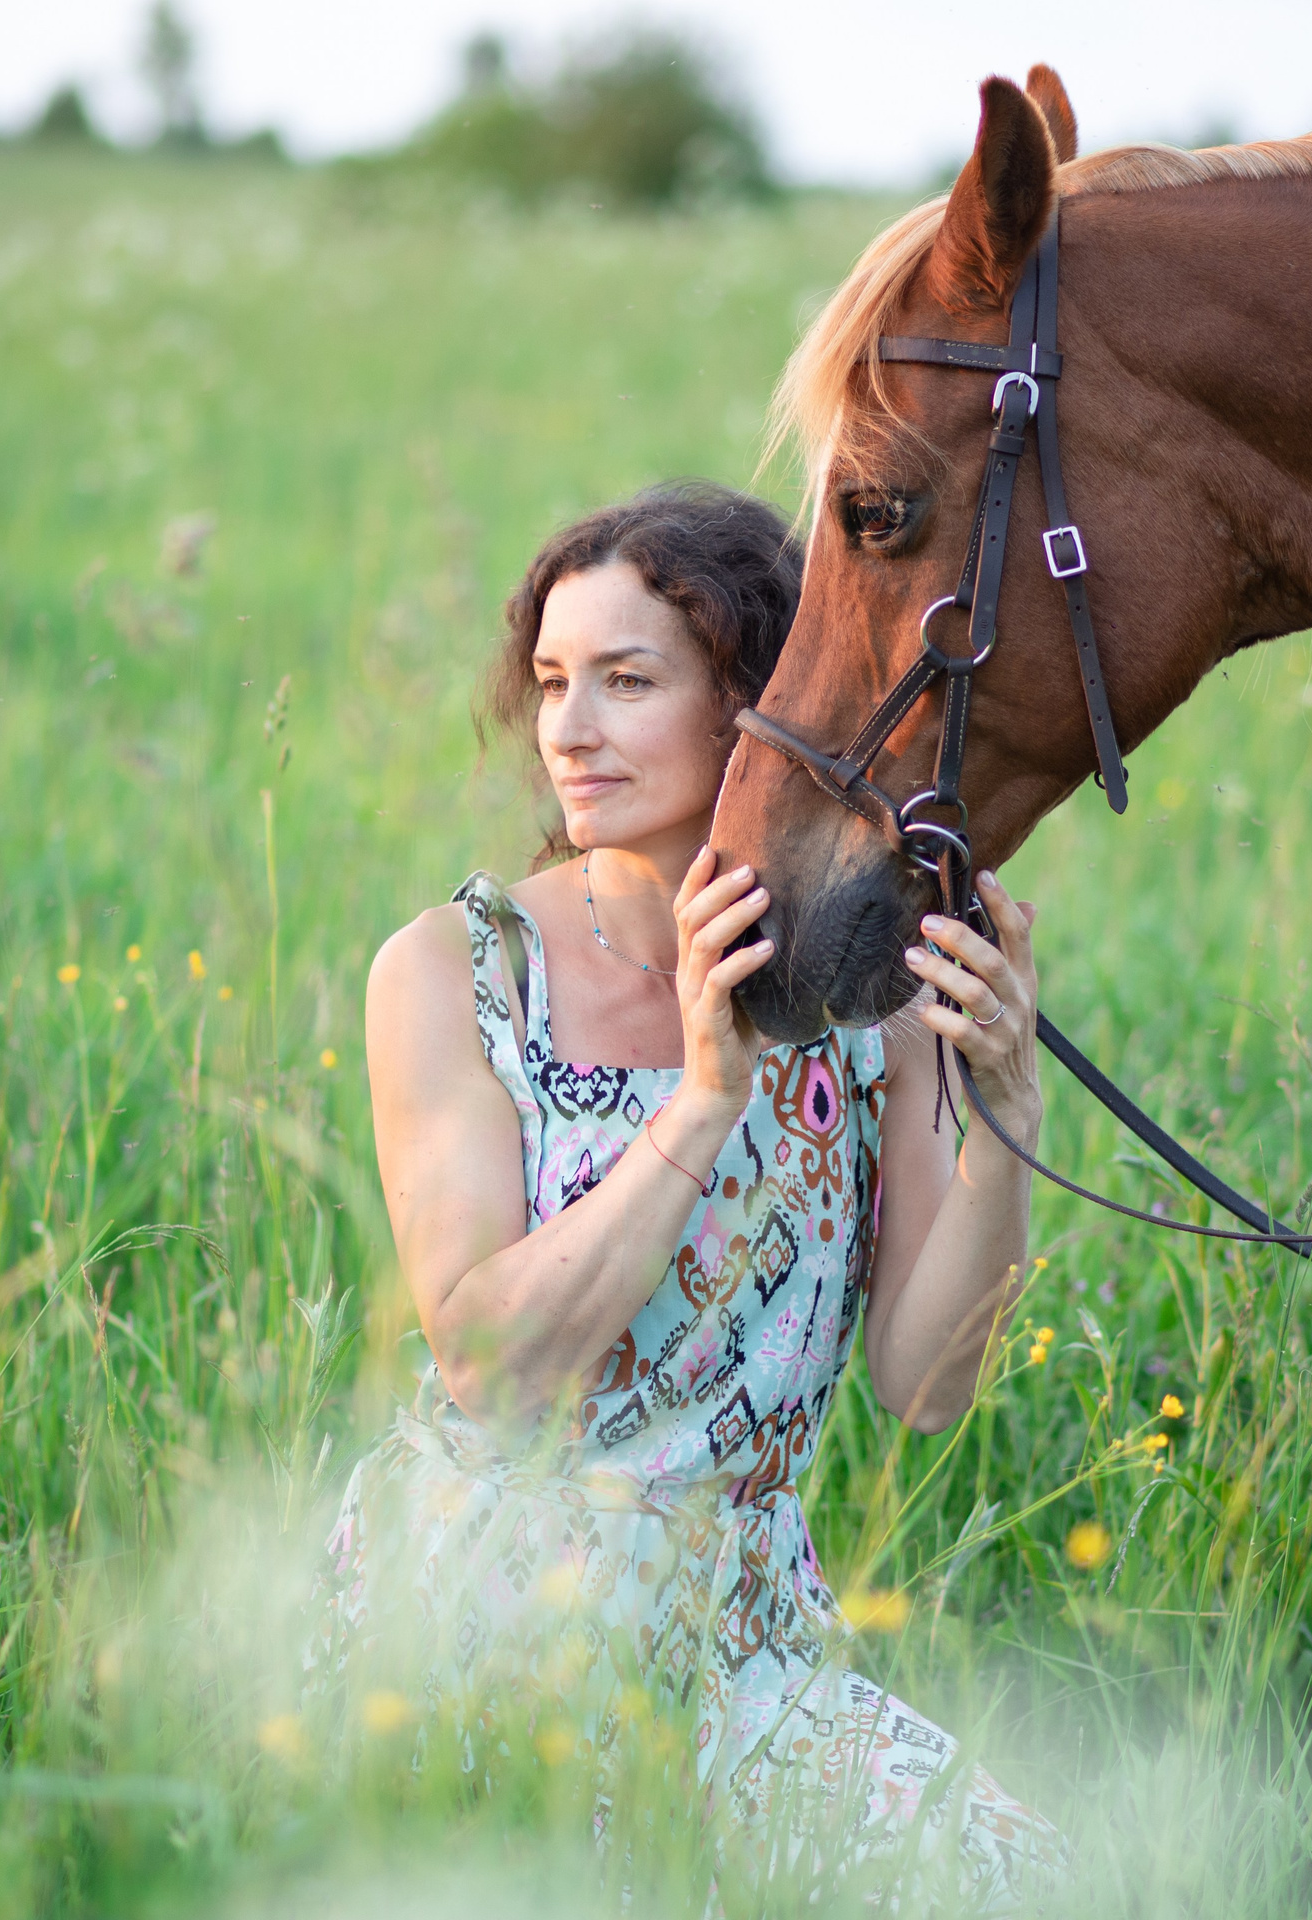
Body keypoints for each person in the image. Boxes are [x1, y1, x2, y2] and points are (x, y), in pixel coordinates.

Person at [314, 482, 1063, 1903]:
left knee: (1023, 1883)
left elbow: (926, 1384)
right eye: (550, 682)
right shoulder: (459, 977)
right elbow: (487, 1365)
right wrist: (705, 1100)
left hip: (746, 1640)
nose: (569, 730)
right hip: (478, 1625)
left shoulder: (871, 1005)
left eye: (626, 681)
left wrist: (1003, 1127)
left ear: (756, 702)